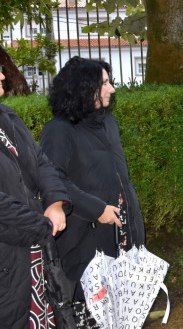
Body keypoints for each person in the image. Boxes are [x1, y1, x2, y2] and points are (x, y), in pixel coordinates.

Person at [40, 57, 145, 327]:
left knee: (125, 313)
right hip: (85, 242)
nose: (112, 89)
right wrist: (96, 209)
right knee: (94, 316)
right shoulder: (58, 130)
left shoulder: (109, 122)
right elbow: (53, 180)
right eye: (105, 83)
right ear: (84, 89)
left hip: (122, 234)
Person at [0, 67, 69, 329]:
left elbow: (40, 161)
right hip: (9, 255)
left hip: (34, 254)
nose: (3, 76)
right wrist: (40, 225)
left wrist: (54, 202)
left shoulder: (7, 116)